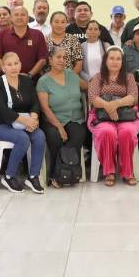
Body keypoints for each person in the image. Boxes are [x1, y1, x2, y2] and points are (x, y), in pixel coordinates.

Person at [0, 52, 46, 193]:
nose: (13, 67)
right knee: (22, 138)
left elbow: (35, 103)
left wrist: (33, 118)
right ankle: (8, 176)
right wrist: (26, 121)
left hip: (24, 122)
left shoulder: (26, 81)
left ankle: (33, 176)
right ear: (3, 68)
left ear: (20, 64)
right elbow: (1, 109)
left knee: (39, 136)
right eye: (9, 64)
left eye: (16, 63)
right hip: (0, 124)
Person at [88, 46, 139, 186]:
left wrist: (115, 104)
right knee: (107, 132)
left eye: (118, 59)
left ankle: (127, 172)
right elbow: (93, 98)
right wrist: (108, 107)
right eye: (111, 58)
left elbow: (133, 97)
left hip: (126, 117)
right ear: (105, 60)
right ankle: (109, 171)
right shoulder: (98, 77)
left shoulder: (128, 77)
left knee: (127, 132)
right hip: (102, 117)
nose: (115, 61)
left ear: (122, 62)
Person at [37, 47, 86, 188]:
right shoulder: (43, 81)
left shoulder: (72, 75)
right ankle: (55, 174)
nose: (62, 60)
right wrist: (59, 127)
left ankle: (68, 173)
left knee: (78, 135)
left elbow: (87, 87)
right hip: (53, 120)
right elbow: (45, 108)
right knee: (55, 138)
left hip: (74, 118)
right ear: (50, 60)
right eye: (58, 57)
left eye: (64, 58)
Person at [0, 6, 48, 77]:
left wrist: (29, 75)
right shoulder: (2, 35)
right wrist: (10, 73)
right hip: (8, 78)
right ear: (11, 18)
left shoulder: (38, 34)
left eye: (23, 15)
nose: (19, 17)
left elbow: (42, 60)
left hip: (32, 79)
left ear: (28, 18)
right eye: (16, 15)